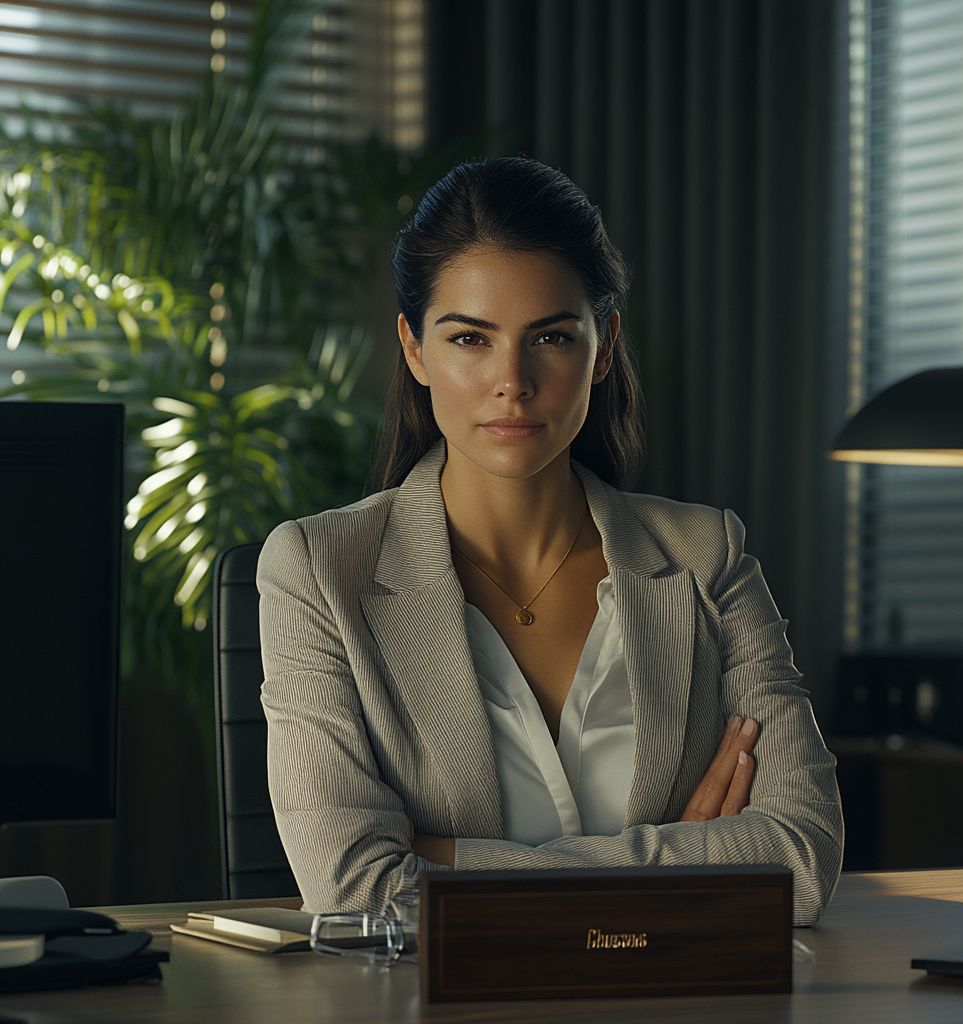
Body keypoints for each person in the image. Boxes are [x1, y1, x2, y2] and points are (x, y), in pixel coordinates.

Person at [258, 157, 843, 927]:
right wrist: (684, 859)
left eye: (552, 337)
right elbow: (355, 891)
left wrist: (437, 855)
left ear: (602, 348)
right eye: (470, 338)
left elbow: (800, 860)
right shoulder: (316, 570)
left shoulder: (707, 556)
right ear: (413, 348)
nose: (512, 380)